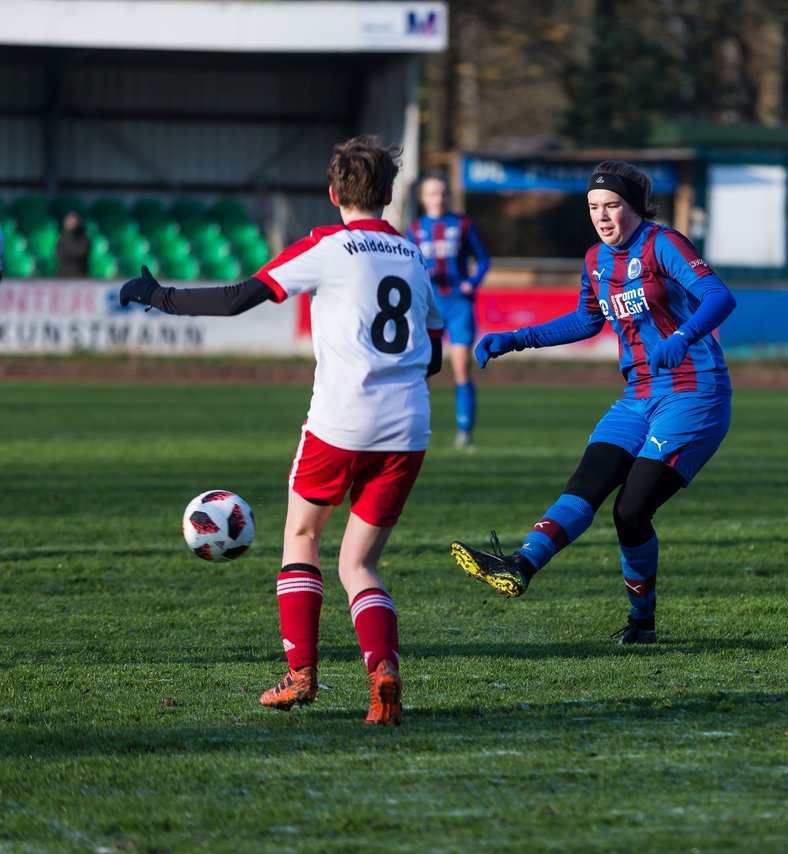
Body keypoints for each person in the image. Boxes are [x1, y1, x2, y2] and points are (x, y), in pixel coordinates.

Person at [118, 135, 444, 725]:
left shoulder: (329, 246)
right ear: (391, 194)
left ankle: (301, 674)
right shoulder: (414, 256)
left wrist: (159, 296)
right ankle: (383, 673)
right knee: (360, 565)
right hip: (408, 426)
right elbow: (436, 354)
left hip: (341, 420)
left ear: (332, 193)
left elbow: (243, 296)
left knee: (301, 536)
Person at [449, 160, 736, 644]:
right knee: (588, 481)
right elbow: (586, 321)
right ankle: (519, 565)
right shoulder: (594, 260)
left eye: (612, 206)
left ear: (636, 207)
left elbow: (719, 297)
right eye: (593, 207)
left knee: (630, 511)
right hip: (636, 396)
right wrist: (516, 339)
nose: (602, 217)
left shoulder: (662, 244)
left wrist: (684, 336)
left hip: (694, 392)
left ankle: (641, 622)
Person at [409, 173, 490, 448]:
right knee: (423, 370)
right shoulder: (416, 228)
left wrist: (473, 282)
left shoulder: (463, 224)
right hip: (429, 306)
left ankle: (465, 433)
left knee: (461, 367)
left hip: (458, 304)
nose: (438, 198)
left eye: (442, 193)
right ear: (423, 198)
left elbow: (482, 259)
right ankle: (417, 430)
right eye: (432, 193)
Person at [55, 211, 90, 278]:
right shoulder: (62, 237)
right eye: (69, 221)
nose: (70, 224)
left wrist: (67, 253)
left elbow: (80, 253)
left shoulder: (83, 238)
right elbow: (58, 253)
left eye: (73, 222)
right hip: (62, 273)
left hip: (79, 274)